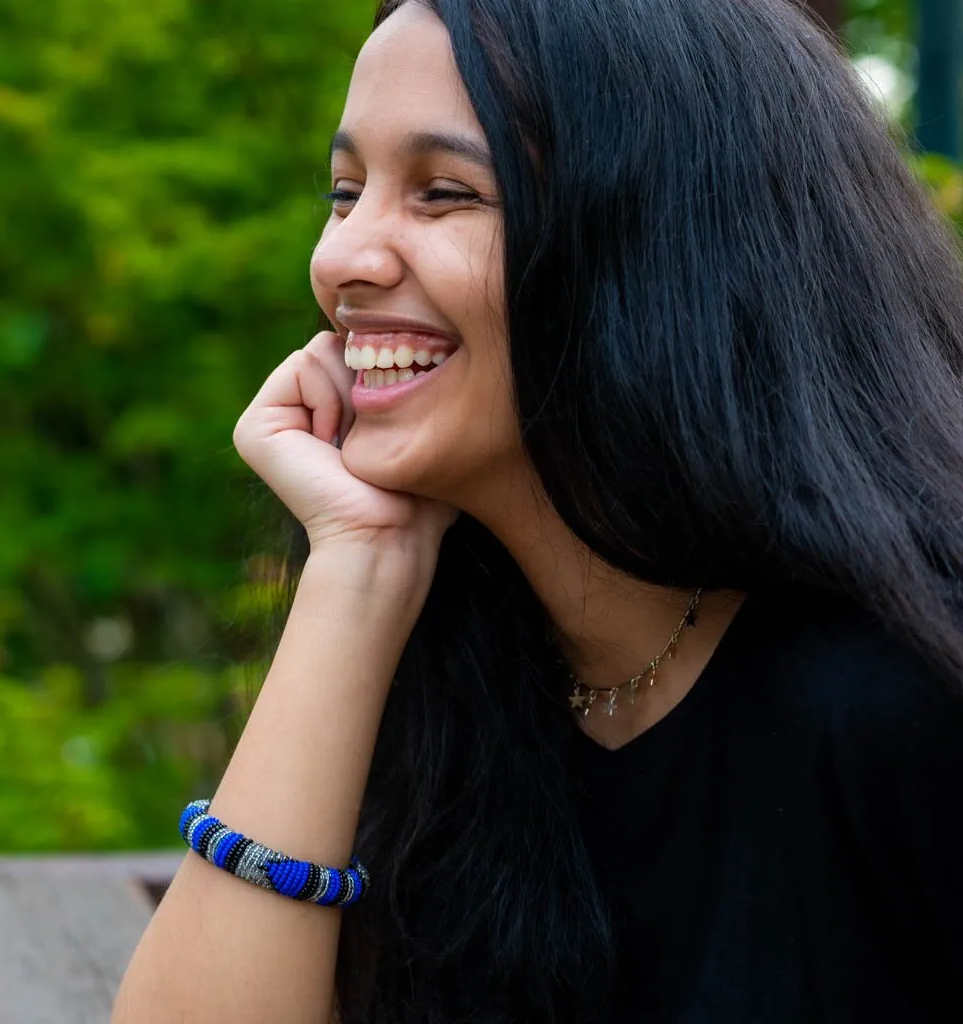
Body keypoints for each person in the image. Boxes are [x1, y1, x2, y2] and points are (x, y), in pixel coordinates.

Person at [112, 0, 963, 1020]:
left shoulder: (909, 693)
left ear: (660, 245)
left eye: (444, 193)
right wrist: (358, 569)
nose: (342, 261)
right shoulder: (462, 673)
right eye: (344, 192)